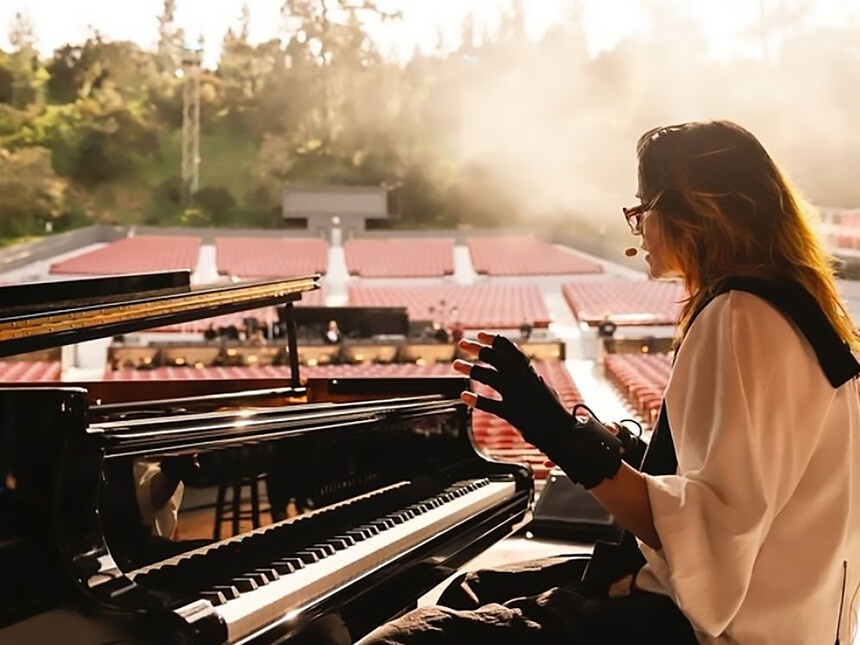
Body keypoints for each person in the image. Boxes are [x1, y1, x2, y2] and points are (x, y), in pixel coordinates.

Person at [359, 120, 860, 644]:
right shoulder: (795, 308)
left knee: (397, 641)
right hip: (799, 617)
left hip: (724, 630)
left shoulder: (740, 316)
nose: (638, 227)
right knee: (475, 589)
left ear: (696, 208)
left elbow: (707, 543)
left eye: (643, 208)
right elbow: (743, 486)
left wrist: (556, 434)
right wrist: (621, 446)